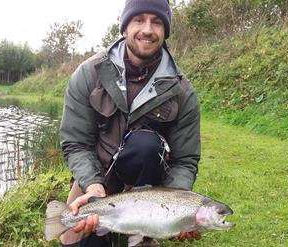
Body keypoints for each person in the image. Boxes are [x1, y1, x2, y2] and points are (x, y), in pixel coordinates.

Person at [59, 0, 201, 246]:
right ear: (124, 28)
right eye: (139, 20)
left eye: (157, 22)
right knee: (80, 241)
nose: (147, 29)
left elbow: (185, 161)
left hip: (150, 189)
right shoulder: (89, 74)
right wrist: (92, 187)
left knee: (145, 144)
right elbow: (76, 143)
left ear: (165, 31)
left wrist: (178, 207)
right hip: (98, 177)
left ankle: (143, 235)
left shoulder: (182, 90)